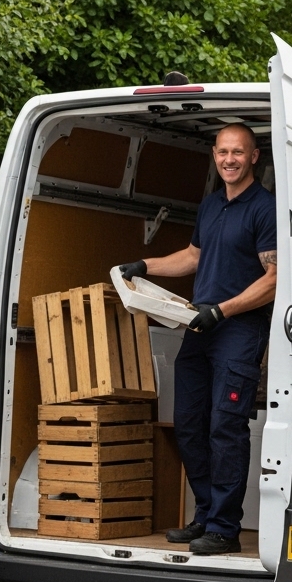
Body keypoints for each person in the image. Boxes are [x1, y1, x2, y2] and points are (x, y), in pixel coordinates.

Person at [118, 123, 276, 556]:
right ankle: (206, 515)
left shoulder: (265, 209)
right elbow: (193, 257)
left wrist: (222, 310)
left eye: (238, 152)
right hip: (199, 327)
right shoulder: (211, 206)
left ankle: (225, 527)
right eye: (223, 151)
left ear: (254, 157)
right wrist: (144, 265)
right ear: (214, 153)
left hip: (238, 329)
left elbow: (274, 278)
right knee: (189, 424)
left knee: (226, 427)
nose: (229, 159)